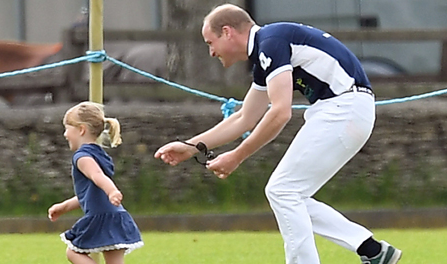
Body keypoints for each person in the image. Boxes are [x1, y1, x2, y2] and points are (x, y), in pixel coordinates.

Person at [154, 4, 401, 264]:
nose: (210, 51)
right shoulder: (267, 49)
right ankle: (372, 250)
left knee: (283, 191)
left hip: (343, 110)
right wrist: (191, 146)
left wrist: (237, 156)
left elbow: (281, 112)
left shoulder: (271, 43)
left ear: (227, 32)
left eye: (210, 42)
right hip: (345, 110)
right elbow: (243, 117)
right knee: (289, 194)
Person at [49, 101, 143, 264]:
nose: (65, 134)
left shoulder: (82, 157)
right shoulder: (100, 154)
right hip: (117, 215)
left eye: (67, 128)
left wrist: (112, 191)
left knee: (73, 252)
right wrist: (63, 207)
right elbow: (89, 193)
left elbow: (97, 176)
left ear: (81, 129)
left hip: (101, 218)